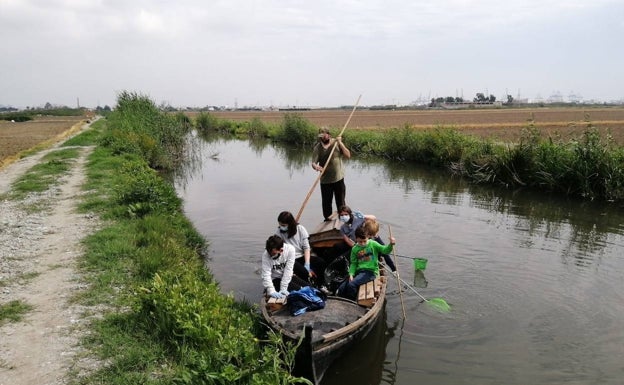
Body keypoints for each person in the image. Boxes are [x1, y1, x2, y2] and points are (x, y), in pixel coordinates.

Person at [337, 226, 396, 301]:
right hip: (359, 271)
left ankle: (351, 301)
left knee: (351, 285)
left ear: (368, 237)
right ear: (356, 239)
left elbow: (385, 250)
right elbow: (353, 263)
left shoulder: (373, 244)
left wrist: (391, 245)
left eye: (364, 241)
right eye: (360, 242)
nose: (362, 244)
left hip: (370, 272)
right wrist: (351, 273)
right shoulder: (355, 249)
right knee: (341, 288)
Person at [275, 211, 327, 285]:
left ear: (290, 224)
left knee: (321, 262)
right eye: (280, 225)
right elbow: (277, 247)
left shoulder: (300, 229)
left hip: (301, 256)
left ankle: (321, 284)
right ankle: (309, 285)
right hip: (290, 259)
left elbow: (306, 248)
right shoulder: (279, 232)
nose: (281, 227)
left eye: (283, 225)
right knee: (304, 272)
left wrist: (307, 263)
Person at [311, 127, 351, 222]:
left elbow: (348, 155)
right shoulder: (318, 148)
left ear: (329, 135)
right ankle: (328, 221)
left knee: (340, 202)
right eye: (321, 137)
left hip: (338, 178)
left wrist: (340, 142)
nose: (323, 138)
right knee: (326, 203)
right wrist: (316, 167)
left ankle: (343, 220)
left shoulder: (336, 143)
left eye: (325, 136)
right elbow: (313, 163)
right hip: (325, 180)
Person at [261, 235, 309, 299]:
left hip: (286, 276)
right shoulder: (265, 255)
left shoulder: (290, 250)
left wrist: (283, 288)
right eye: (269, 253)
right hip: (275, 279)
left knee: (309, 288)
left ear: (281, 250)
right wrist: (271, 290)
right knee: (300, 292)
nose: (271, 256)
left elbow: (288, 270)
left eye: (273, 254)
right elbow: (266, 274)